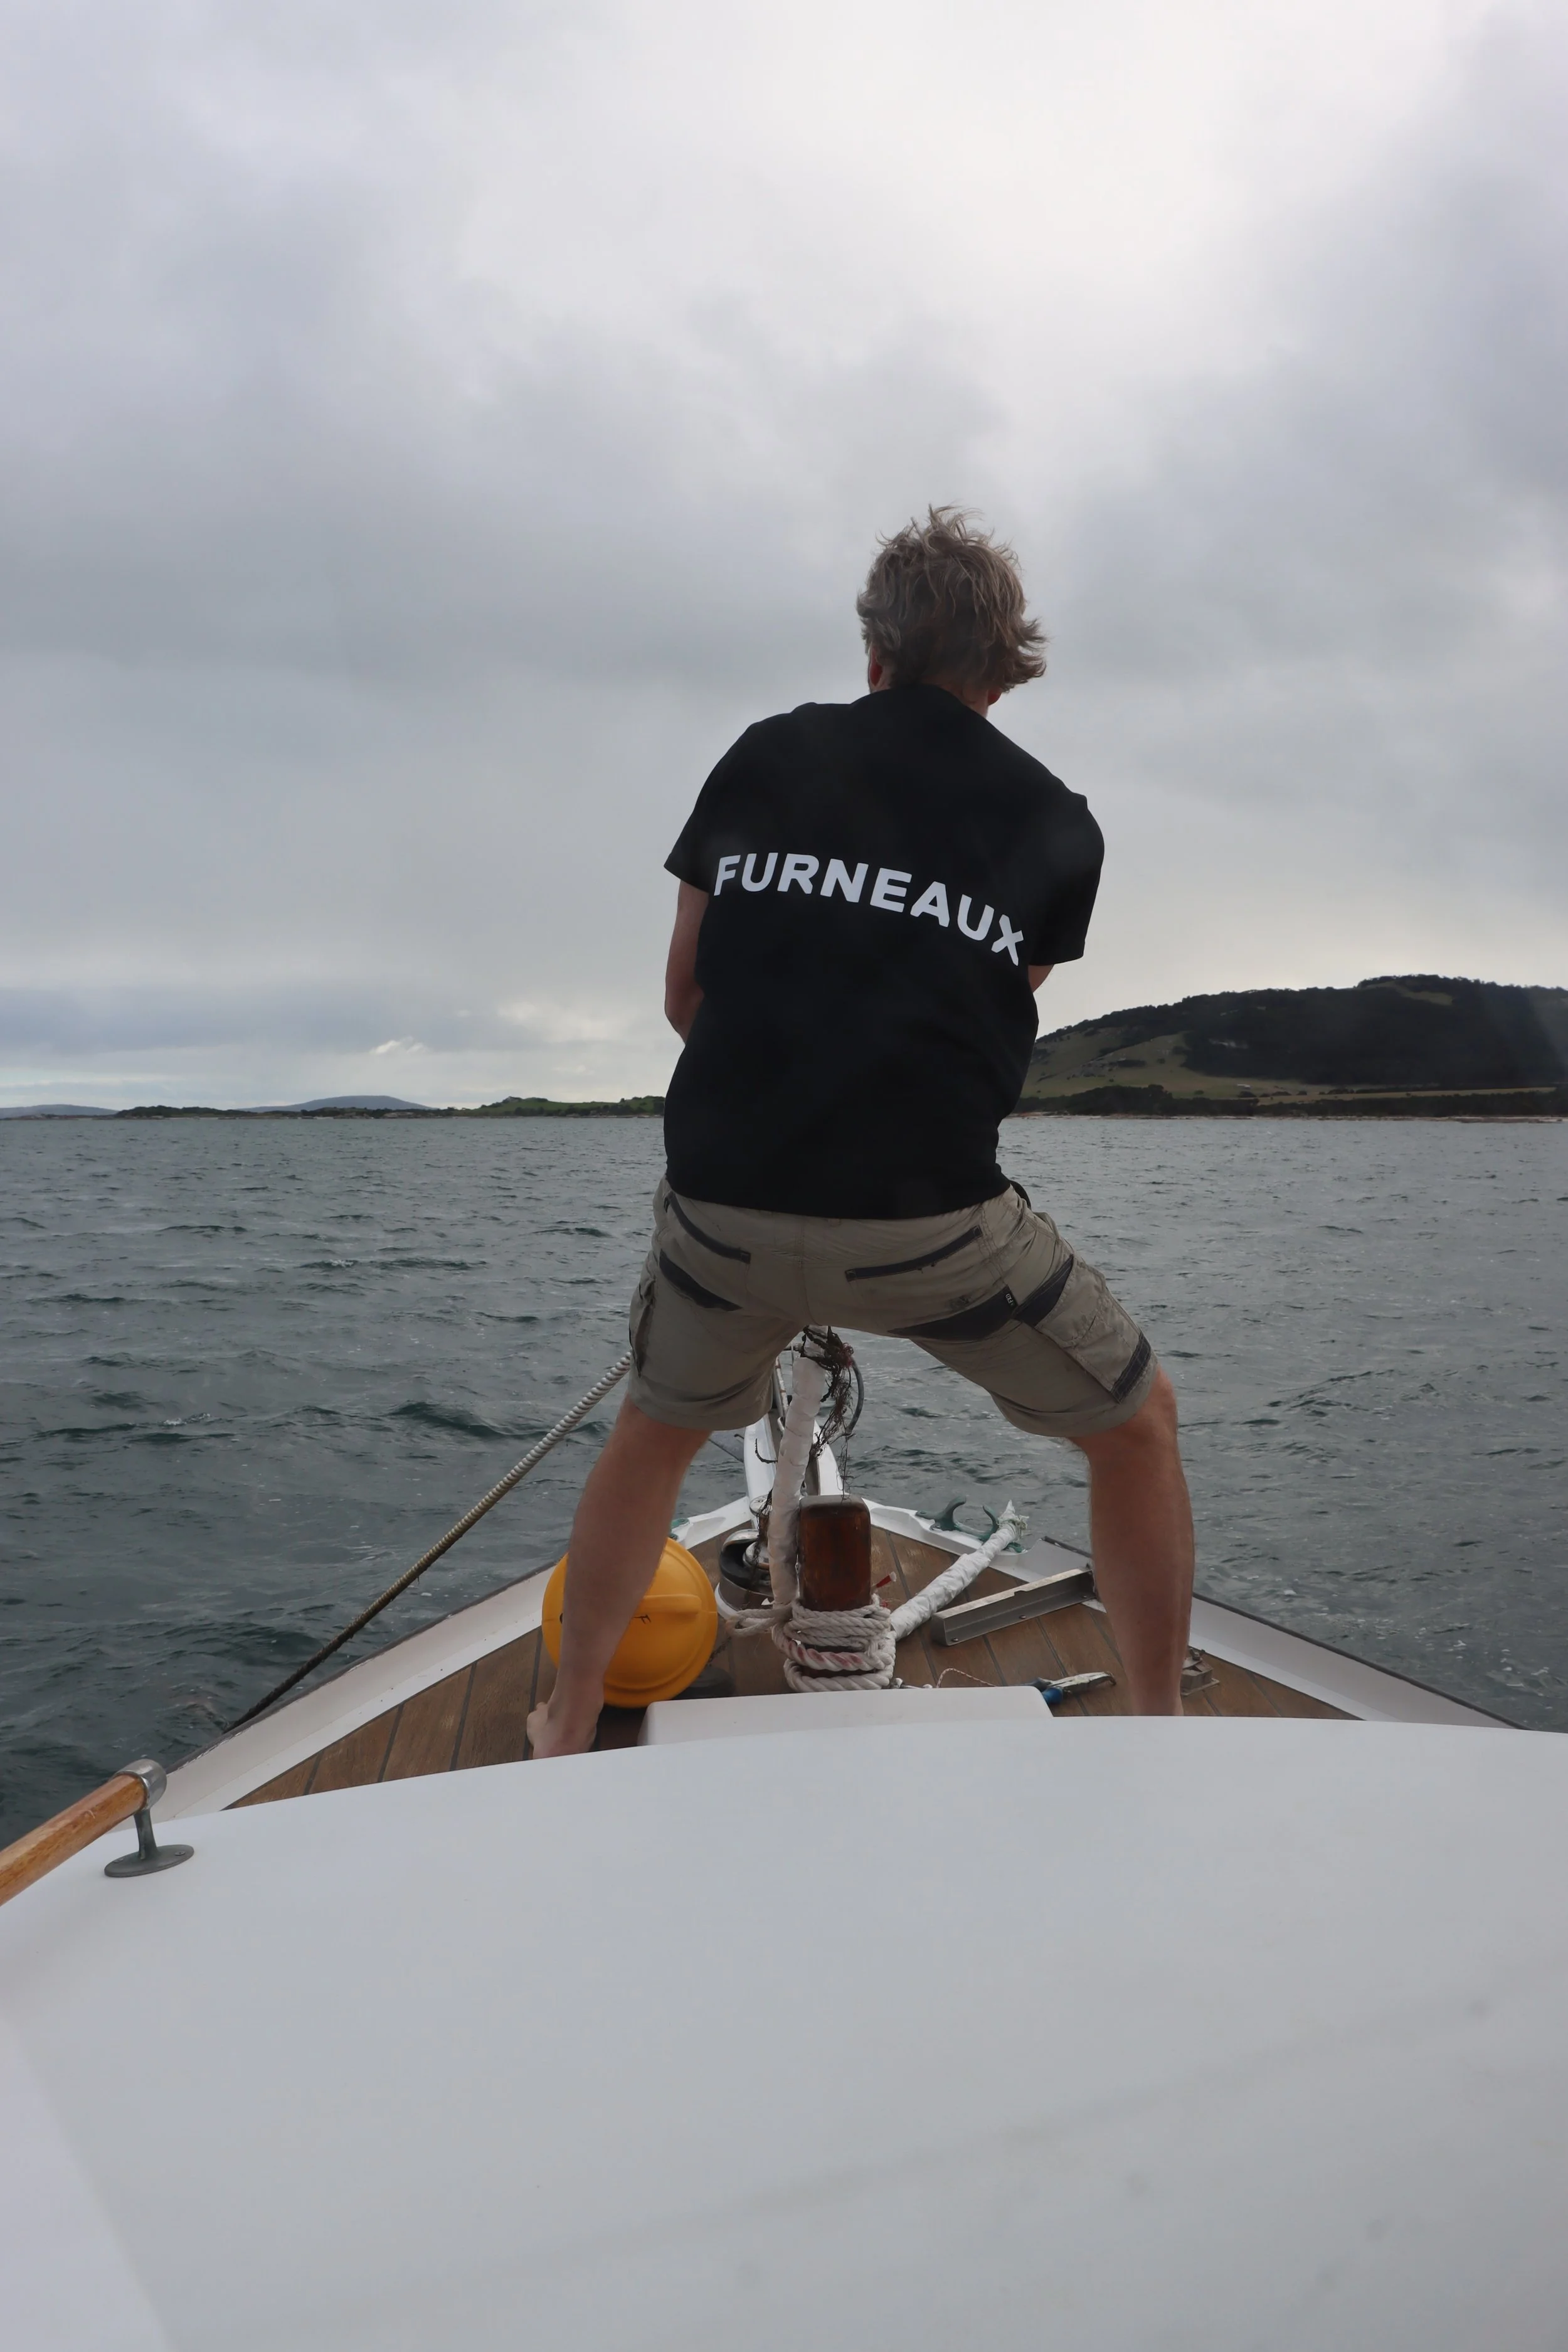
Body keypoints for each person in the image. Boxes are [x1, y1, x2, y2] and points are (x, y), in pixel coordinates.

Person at [529, 508, 1194, 1754]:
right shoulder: (1057, 824)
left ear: (875, 650)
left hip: (724, 1212)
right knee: (1135, 1423)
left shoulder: (765, 755)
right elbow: (970, 1026)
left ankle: (564, 1723)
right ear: (1005, 672)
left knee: (652, 1439)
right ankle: (1156, 1736)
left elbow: (685, 998)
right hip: (928, 1234)